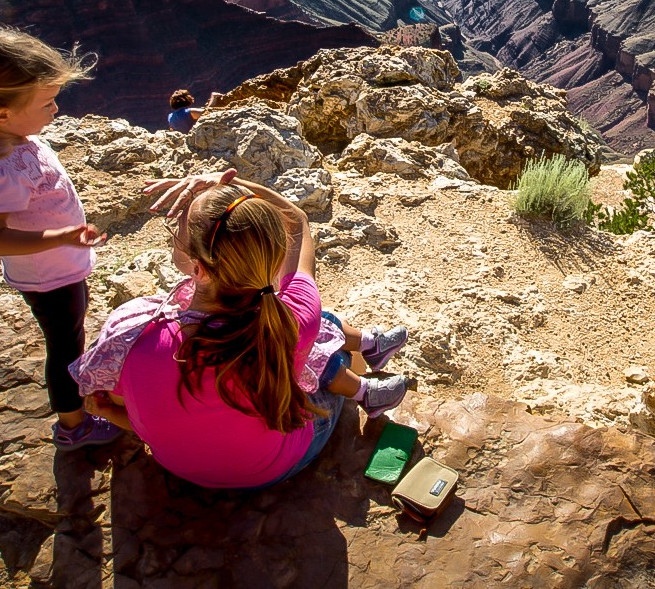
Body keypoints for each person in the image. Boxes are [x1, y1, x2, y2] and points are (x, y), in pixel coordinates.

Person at [81, 172, 411, 488]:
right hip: (275, 467)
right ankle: (367, 374)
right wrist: (230, 185)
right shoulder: (295, 316)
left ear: (198, 268)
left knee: (313, 338)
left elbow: (132, 416)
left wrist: (107, 411)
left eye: (179, 231)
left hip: (182, 470)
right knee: (328, 337)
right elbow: (296, 221)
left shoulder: (131, 334)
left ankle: (367, 367)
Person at [0, 22, 122, 450]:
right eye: (48, 103)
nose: (55, 111)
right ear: (1, 114)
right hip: (47, 273)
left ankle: (79, 397)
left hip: (57, 266)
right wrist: (60, 236)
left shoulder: (8, 138)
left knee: (71, 329)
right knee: (65, 347)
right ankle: (75, 426)